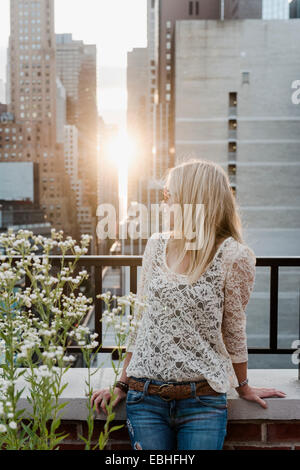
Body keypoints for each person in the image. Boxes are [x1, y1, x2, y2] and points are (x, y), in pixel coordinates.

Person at [91, 159, 286, 450]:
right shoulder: (156, 245)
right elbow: (142, 323)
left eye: (169, 197)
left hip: (203, 402)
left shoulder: (234, 256)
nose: (163, 205)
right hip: (145, 399)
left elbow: (233, 330)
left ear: (195, 201)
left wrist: (242, 386)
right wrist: (121, 383)